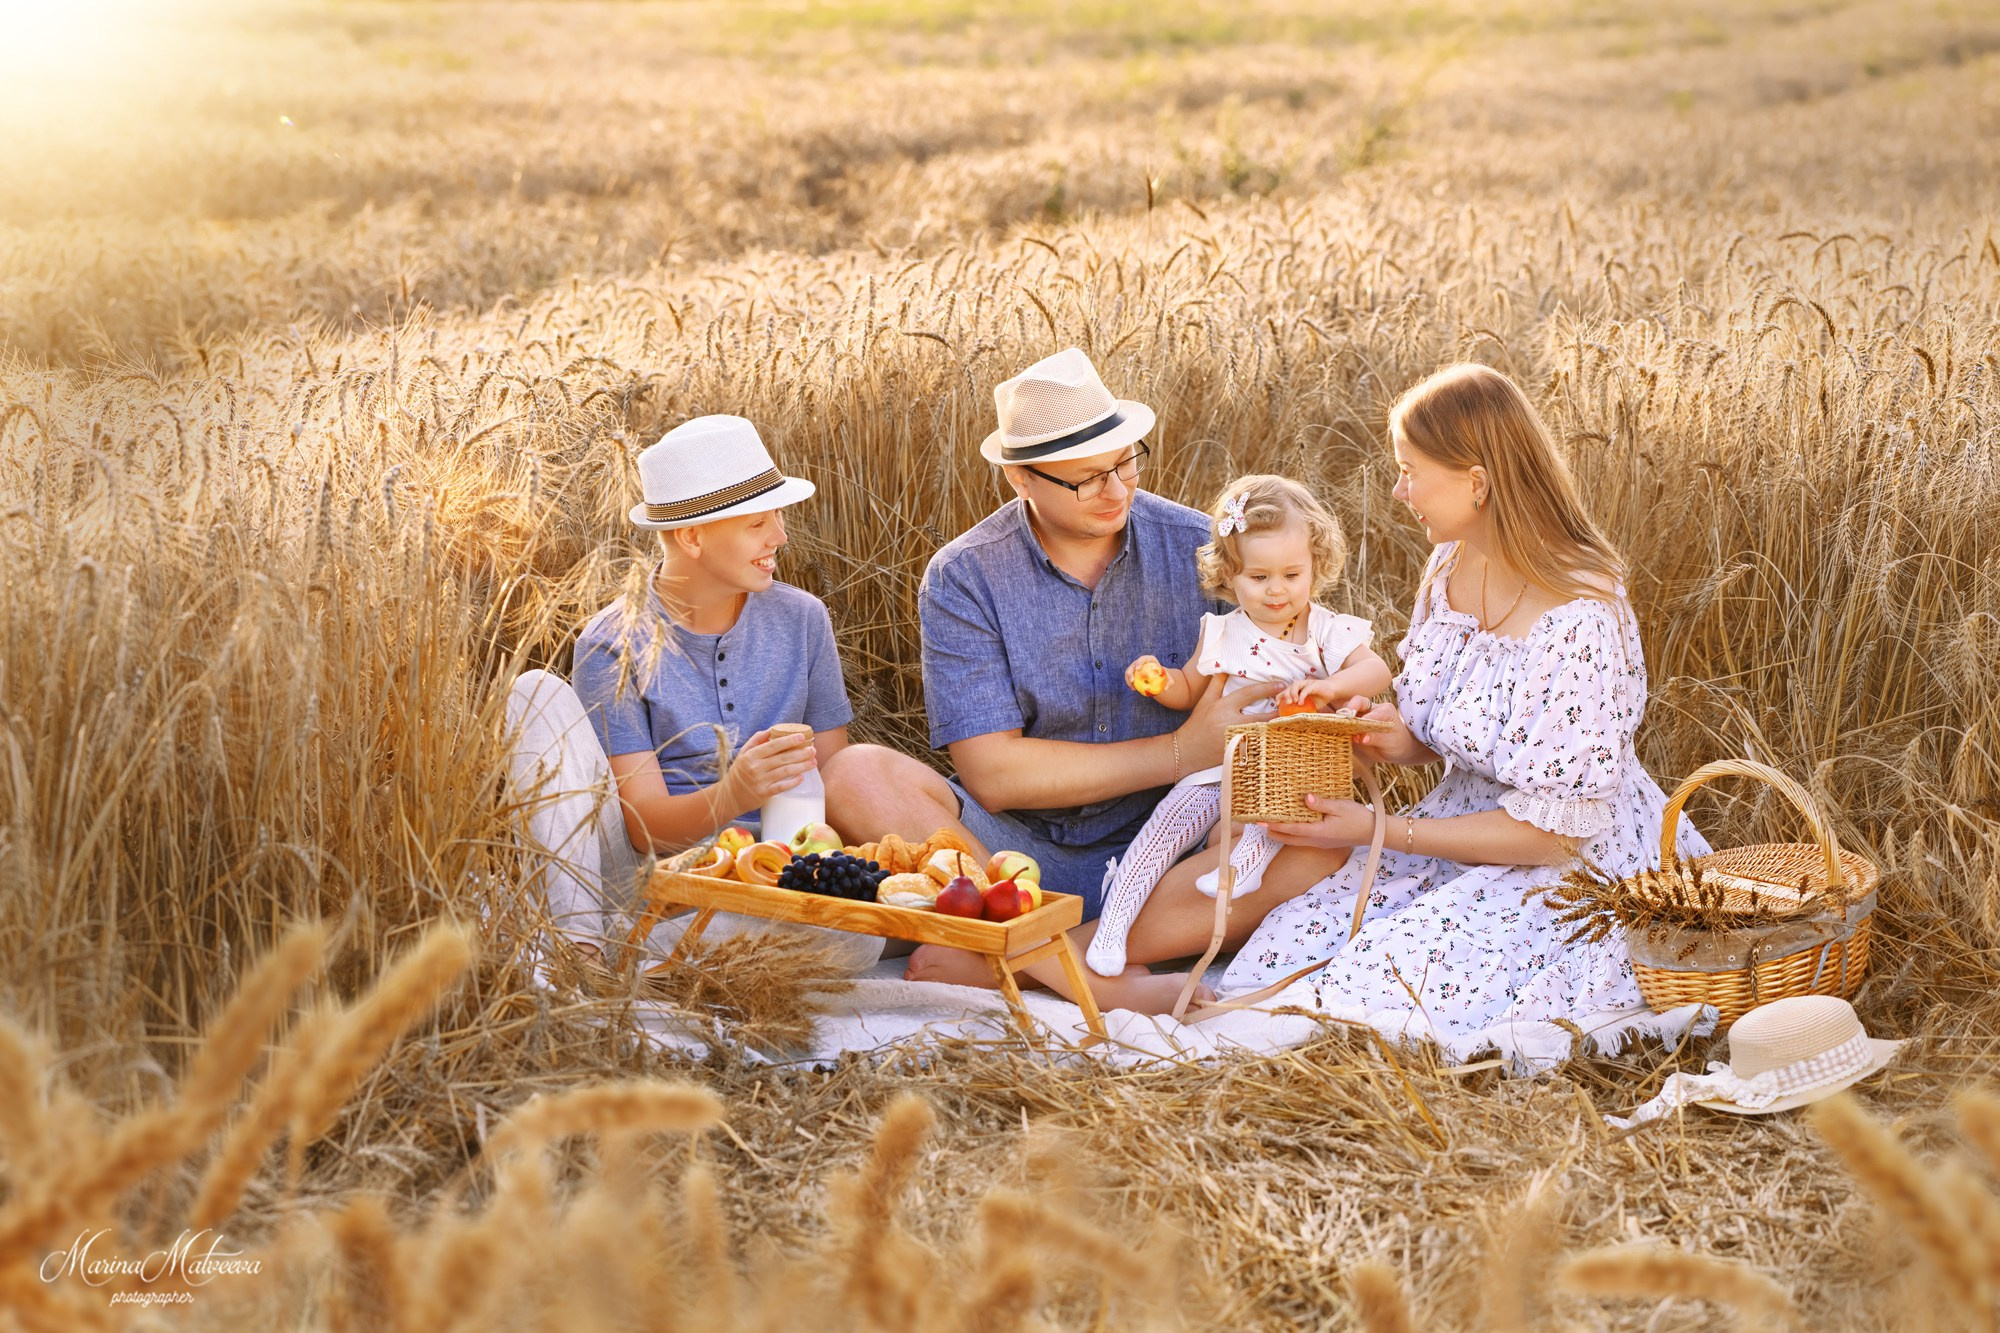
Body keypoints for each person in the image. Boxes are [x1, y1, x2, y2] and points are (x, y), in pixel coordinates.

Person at [1202, 363, 1710, 1048]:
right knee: (1289, 942)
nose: (1397, 488)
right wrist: (1395, 738)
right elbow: (1441, 728)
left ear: (1476, 480)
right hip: (1460, 825)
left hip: (1567, 867)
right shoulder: (1450, 564)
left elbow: (1554, 834)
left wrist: (1375, 831)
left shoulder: (1581, 616)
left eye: (1411, 470)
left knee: (1372, 994)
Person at [874, 347, 1327, 1013]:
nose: (1117, 490)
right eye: (1086, 480)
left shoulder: (1202, 548)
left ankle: (1025, 957)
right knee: (861, 774)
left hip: (1173, 854)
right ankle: (1096, 974)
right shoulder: (963, 574)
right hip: (1014, 860)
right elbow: (995, 777)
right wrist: (1180, 750)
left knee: (1316, 846)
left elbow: (1288, 657)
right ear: (1020, 480)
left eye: (1125, 462)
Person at [566, 413, 943, 966]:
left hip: (785, 873)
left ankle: (677, 953)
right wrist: (736, 793)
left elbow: (834, 783)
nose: (780, 537)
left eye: (778, 518)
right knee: (848, 943)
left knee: (852, 934)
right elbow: (646, 831)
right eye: (756, 524)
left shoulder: (802, 619)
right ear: (691, 535)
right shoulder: (613, 644)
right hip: (675, 879)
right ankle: (642, 940)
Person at [1084, 474, 1390, 977]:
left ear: (1316, 566)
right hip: (1219, 762)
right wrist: (1159, 682)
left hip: (1291, 769)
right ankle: (1115, 919)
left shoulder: (1324, 630)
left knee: (1284, 808)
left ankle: (1244, 863)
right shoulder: (1223, 630)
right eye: (1258, 577)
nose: (1277, 591)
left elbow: (1375, 670)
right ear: (1230, 576)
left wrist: (1328, 689)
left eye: (1292, 575)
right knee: (1166, 825)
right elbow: (1191, 689)